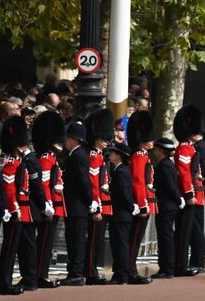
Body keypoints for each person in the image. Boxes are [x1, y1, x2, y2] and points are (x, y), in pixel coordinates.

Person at [0, 115, 37, 294]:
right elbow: (9, 189)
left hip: (20, 209)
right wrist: (14, 209)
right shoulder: (12, 163)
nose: (24, 147)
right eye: (22, 144)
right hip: (15, 211)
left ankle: (5, 281)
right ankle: (4, 283)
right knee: (9, 249)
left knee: (13, 248)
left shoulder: (18, 161)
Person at [30, 111, 66, 288]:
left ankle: (41, 273)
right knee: (44, 241)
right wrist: (47, 206)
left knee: (47, 241)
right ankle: (39, 274)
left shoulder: (51, 157)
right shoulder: (45, 158)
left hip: (55, 204)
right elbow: (44, 183)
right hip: (49, 206)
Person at [172, 106, 205, 276]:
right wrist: (189, 193)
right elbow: (184, 172)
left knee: (188, 231)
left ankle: (182, 264)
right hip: (188, 195)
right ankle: (180, 265)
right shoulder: (185, 148)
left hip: (194, 193)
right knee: (184, 232)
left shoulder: (191, 148)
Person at [82, 109, 114, 284]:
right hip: (97, 204)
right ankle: (90, 272)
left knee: (97, 241)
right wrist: (95, 205)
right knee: (94, 240)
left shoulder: (99, 155)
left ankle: (92, 270)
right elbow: (93, 183)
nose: (106, 142)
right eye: (103, 139)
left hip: (102, 202)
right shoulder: (93, 156)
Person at [126, 110, 156, 281]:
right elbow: (137, 182)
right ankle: (131, 271)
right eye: (148, 137)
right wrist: (142, 204)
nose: (151, 140)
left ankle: (131, 268)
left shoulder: (143, 156)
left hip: (144, 202)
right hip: (140, 204)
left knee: (136, 240)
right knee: (134, 239)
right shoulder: (138, 157)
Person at [60, 121, 91, 286]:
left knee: (76, 241)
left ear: (74, 139)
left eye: (68, 138)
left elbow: (83, 182)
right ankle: (74, 272)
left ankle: (76, 273)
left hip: (77, 206)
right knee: (73, 240)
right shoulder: (77, 155)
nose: (65, 141)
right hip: (75, 206)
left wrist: (89, 200)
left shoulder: (77, 156)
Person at [106, 143, 140, 285]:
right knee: (122, 244)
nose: (111, 154)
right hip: (123, 214)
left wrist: (131, 206)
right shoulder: (123, 170)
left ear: (119, 155)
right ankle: (121, 274)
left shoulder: (120, 172)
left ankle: (120, 275)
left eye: (113, 152)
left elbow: (123, 194)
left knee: (120, 245)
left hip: (120, 214)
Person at [150, 137, 182, 278]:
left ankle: (167, 268)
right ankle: (167, 266)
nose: (155, 151)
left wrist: (178, 198)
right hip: (168, 205)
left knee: (165, 237)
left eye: (157, 149)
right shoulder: (167, 164)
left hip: (166, 206)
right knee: (166, 237)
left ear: (162, 150)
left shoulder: (164, 166)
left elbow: (170, 187)